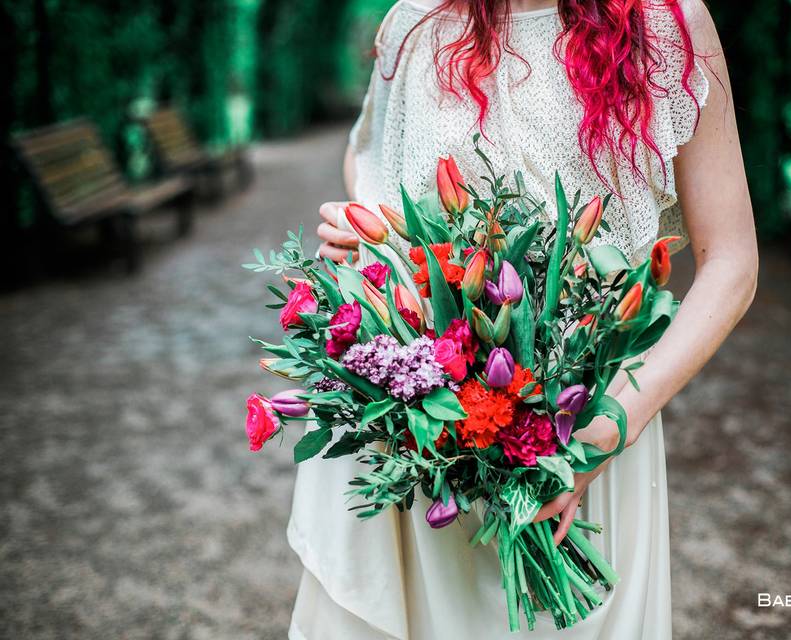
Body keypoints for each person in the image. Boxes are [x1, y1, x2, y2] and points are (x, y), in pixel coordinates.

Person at [289, 1, 757, 638]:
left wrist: (604, 435)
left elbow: (732, 261)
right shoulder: (415, 23)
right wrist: (375, 236)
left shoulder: (667, 24)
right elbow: (368, 159)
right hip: (430, 428)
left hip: (587, 425)